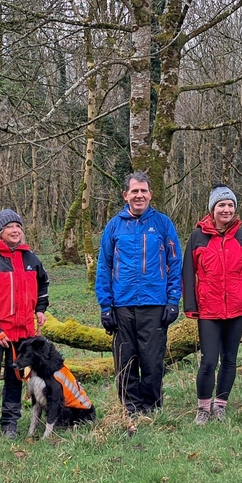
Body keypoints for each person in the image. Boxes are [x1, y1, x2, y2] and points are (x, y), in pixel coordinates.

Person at [95, 171, 182, 415]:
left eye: (144, 191)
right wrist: (105, 305)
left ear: (150, 194)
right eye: (135, 191)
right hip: (121, 305)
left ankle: (152, 408)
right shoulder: (114, 226)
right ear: (126, 195)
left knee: (152, 361)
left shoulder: (163, 224)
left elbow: (175, 262)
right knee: (125, 360)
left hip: (155, 303)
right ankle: (130, 409)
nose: (139, 195)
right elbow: (104, 265)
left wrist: (173, 300)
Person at [181, 185, 242, 424]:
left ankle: (221, 406)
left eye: (230, 205)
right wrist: (191, 305)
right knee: (208, 361)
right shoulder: (198, 236)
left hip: (237, 307)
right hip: (209, 308)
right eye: (221, 205)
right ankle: (203, 408)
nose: (226, 209)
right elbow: (188, 272)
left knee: (230, 359)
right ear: (212, 209)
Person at [0, 209, 49, 439]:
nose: (15, 231)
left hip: (22, 334)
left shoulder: (30, 259)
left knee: (16, 379)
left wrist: (40, 309)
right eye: (9, 227)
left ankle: (10, 425)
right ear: (0, 232)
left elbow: (43, 283)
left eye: (18, 227)